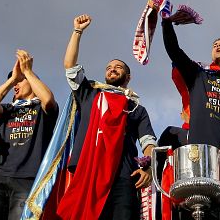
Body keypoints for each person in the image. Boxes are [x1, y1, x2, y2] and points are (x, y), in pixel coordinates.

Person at [55, 14, 157, 220]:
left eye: (118, 67)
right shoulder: (90, 93)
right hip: (88, 171)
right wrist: (77, 31)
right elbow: (69, 65)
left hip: (123, 176)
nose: (112, 69)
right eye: (109, 67)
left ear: (128, 77)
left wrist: (149, 168)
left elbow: (148, 143)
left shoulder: (135, 107)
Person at [0, 49, 57, 220]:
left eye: (20, 81)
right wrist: (13, 79)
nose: (16, 86)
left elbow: (48, 100)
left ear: (33, 83)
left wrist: (27, 72)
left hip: (28, 179)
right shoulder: (7, 109)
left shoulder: (42, 110)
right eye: (15, 83)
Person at [162, 7, 220, 147]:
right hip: (199, 154)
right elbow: (174, 50)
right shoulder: (198, 74)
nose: (218, 45)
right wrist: (166, 22)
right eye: (215, 45)